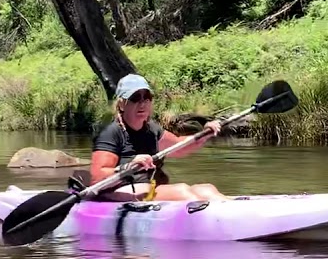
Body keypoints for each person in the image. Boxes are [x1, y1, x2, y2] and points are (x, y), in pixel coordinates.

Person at [90, 74, 229, 202]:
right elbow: (97, 177)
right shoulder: (111, 133)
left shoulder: (151, 130)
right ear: (121, 104)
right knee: (183, 192)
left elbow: (179, 147)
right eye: (135, 98)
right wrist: (128, 166)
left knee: (207, 190)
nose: (142, 103)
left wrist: (205, 134)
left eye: (147, 97)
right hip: (122, 191)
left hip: (150, 188)